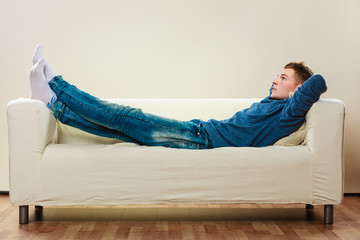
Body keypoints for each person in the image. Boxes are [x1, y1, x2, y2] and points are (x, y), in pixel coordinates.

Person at [29, 45, 327, 149]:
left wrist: (301, 93)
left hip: (199, 138)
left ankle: (57, 84)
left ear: (297, 90)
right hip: (196, 132)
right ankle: (53, 105)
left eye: (284, 78)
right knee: (119, 129)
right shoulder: (272, 104)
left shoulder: (288, 112)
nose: (275, 79)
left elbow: (318, 83)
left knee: (126, 116)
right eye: (278, 74)